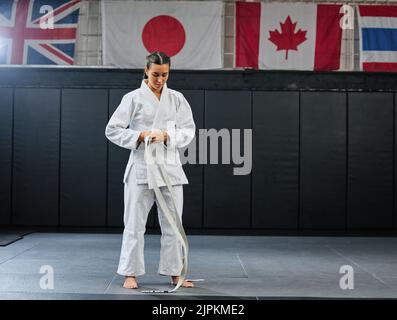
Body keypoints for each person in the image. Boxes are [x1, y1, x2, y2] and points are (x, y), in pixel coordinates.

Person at [105, 51, 196, 289]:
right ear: (146, 71)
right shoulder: (132, 98)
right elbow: (112, 129)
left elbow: (188, 131)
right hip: (141, 168)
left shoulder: (177, 98)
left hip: (170, 169)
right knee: (134, 224)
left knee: (174, 225)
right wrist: (140, 135)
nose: (160, 80)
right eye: (155, 74)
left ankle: (176, 273)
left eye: (164, 75)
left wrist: (167, 136)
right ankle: (130, 273)